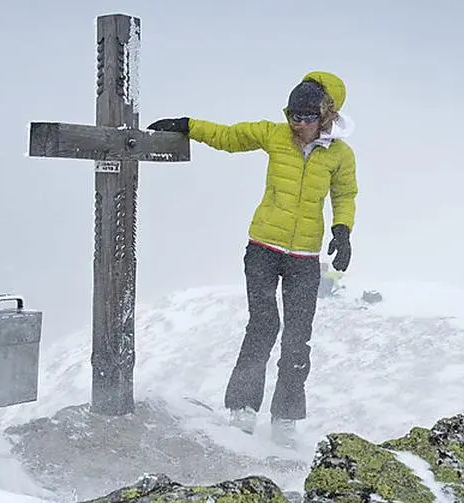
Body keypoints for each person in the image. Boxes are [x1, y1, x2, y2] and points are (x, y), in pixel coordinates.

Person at [148, 71, 358, 447]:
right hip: (263, 248)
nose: (297, 124)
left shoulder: (340, 155)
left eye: (306, 117)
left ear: (326, 114)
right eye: (292, 115)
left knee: (298, 337)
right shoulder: (273, 134)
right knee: (263, 324)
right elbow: (229, 137)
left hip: (305, 257)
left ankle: (286, 418)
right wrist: (188, 126)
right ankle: (242, 409)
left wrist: (342, 231)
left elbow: (345, 195)